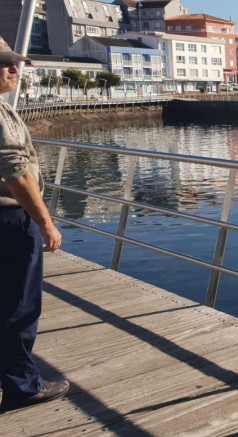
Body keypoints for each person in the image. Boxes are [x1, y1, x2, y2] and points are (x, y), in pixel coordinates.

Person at [0, 36, 68, 411]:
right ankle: (22, 386)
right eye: (6, 63)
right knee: (18, 305)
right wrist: (45, 222)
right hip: (9, 219)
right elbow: (17, 174)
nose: (15, 68)